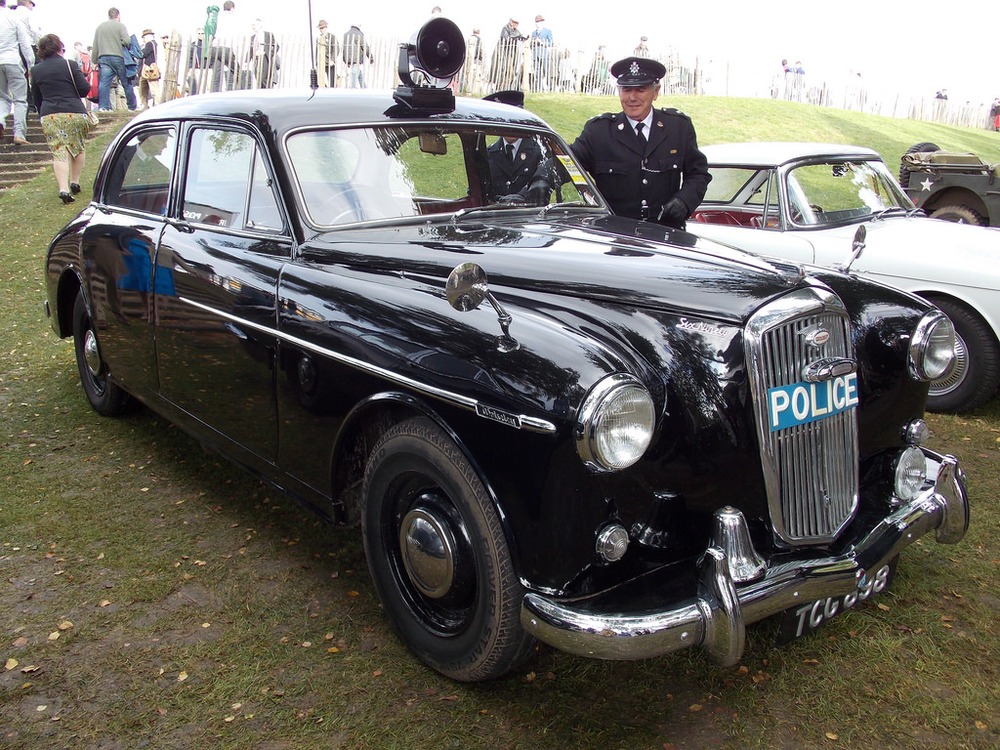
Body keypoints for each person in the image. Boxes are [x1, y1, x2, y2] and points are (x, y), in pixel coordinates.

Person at [570, 56, 711, 229]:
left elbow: (698, 174)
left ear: (656, 92)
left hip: (665, 233)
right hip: (615, 235)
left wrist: (684, 201)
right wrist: (543, 180)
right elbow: (566, 163)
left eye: (640, 90)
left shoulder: (678, 127)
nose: (632, 97)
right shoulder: (599, 131)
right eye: (626, 90)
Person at [28, 33, 92, 203]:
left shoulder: (36, 70)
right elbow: (84, 89)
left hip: (50, 114)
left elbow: (36, 97)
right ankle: (75, 182)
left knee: (59, 151)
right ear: (59, 48)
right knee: (78, 147)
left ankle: (63, 189)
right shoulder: (70, 65)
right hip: (74, 111)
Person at [0, 2, 33, 144]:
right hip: (12, 59)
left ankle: (0, 120)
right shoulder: (13, 16)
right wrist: (30, 64)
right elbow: (24, 43)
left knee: (1, 97)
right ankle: (19, 134)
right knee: (19, 99)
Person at [92, 7, 135, 111]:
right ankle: (132, 107)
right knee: (126, 83)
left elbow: (95, 45)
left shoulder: (100, 27)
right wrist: (119, 42)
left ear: (109, 16)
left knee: (104, 83)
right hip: (118, 57)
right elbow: (127, 41)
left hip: (104, 58)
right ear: (118, 15)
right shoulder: (121, 26)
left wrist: (94, 60)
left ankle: (103, 107)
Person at [490, 18, 525, 91]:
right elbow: (506, 39)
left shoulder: (516, 31)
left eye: (517, 23)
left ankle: (505, 88)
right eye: (514, 22)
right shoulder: (505, 28)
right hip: (503, 52)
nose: (516, 24)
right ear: (511, 22)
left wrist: (522, 38)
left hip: (510, 53)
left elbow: (519, 37)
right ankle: (498, 87)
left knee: (510, 72)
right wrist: (515, 38)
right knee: (502, 70)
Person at [248, 17, 277, 88]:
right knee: (258, 77)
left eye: (254, 25)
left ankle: (267, 90)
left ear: (259, 25)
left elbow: (276, 46)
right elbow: (250, 50)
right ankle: (261, 90)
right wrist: (247, 61)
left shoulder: (268, 34)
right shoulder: (253, 37)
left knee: (264, 77)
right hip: (256, 59)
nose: (253, 27)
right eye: (252, 25)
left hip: (265, 58)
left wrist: (270, 54)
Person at [342, 24, 371, 89]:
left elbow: (343, 48)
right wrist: (371, 58)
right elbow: (365, 47)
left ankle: (364, 87)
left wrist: (345, 60)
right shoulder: (359, 34)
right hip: (356, 59)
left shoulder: (346, 34)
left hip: (348, 59)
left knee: (358, 72)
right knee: (354, 74)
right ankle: (352, 89)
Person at [529, 14, 552, 92]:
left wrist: (542, 42)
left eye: (539, 22)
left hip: (544, 54)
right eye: (536, 22)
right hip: (535, 55)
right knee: (537, 72)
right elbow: (531, 45)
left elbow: (551, 43)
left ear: (542, 22)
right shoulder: (533, 33)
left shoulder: (547, 31)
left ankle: (550, 87)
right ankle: (539, 88)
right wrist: (533, 43)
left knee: (546, 71)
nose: (537, 23)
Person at [136, 29, 158, 108]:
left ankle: (155, 105)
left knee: (153, 90)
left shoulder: (149, 44)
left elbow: (143, 54)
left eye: (144, 37)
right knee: (143, 89)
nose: (143, 39)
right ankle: (145, 105)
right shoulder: (154, 44)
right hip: (146, 71)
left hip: (149, 71)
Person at [315, 19, 338, 87]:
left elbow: (336, 49)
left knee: (332, 81)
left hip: (330, 63)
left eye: (323, 28)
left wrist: (332, 60)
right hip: (321, 63)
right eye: (320, 28)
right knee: (320, 81)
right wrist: (317, 62)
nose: (321, 30)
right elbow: (317, 51)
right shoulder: (318, 38)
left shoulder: (332, 37)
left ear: (326, 27)